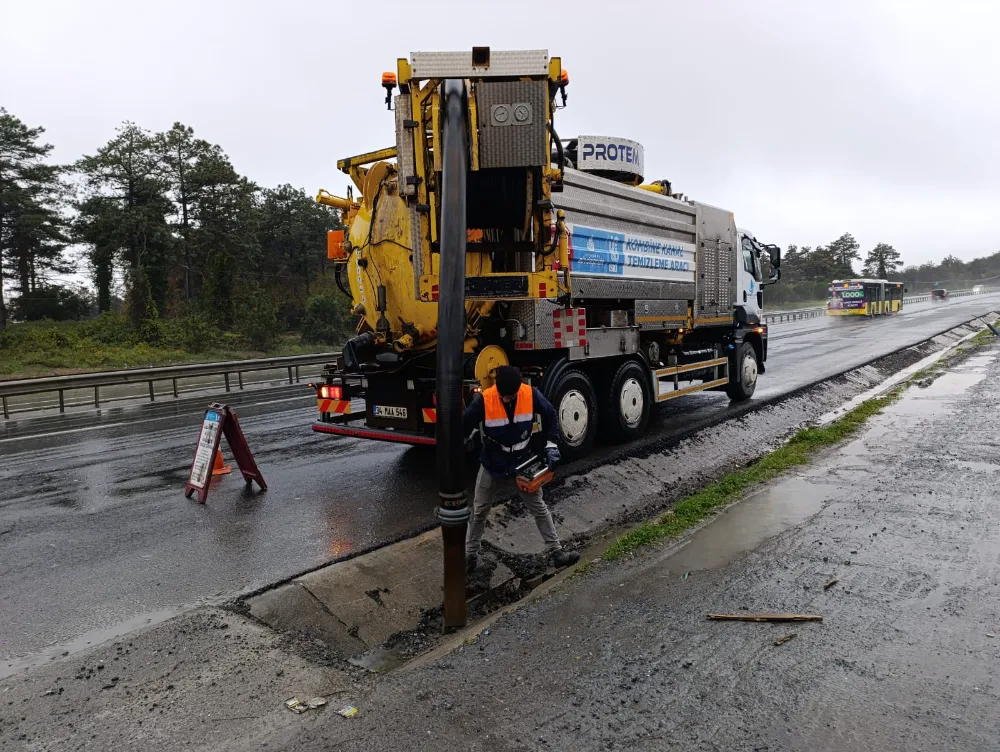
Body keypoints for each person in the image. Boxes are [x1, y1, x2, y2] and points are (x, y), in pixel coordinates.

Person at [463, 365, 581, 572]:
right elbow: (464, 425)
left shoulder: (530, 394)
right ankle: (470, 556)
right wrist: (463, 440)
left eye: (510, 396)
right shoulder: (484, 399)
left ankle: (557, 553)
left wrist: (551, 445)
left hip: (522, 464)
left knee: (539, 507)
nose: (506, 399)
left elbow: (551, 415)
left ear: (517, 390)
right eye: (503, 396)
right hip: (493, 463)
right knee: (479, 511)